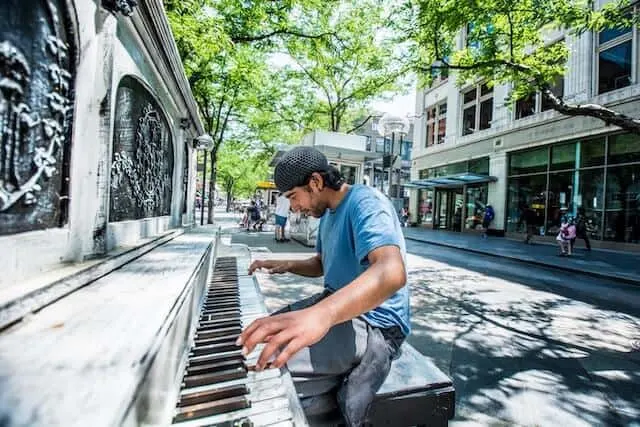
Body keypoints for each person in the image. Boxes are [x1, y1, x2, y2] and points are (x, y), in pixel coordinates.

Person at [237, 146, 410, 427]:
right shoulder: (328, 214)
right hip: (339, 306)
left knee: (273, 364)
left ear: (315, 182)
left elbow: (391, 271)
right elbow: (321, 262)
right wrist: (285, 264)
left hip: (378, 323)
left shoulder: (366, 202)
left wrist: (321, 315)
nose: (293, 207)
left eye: (293, 196)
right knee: (260, 336)